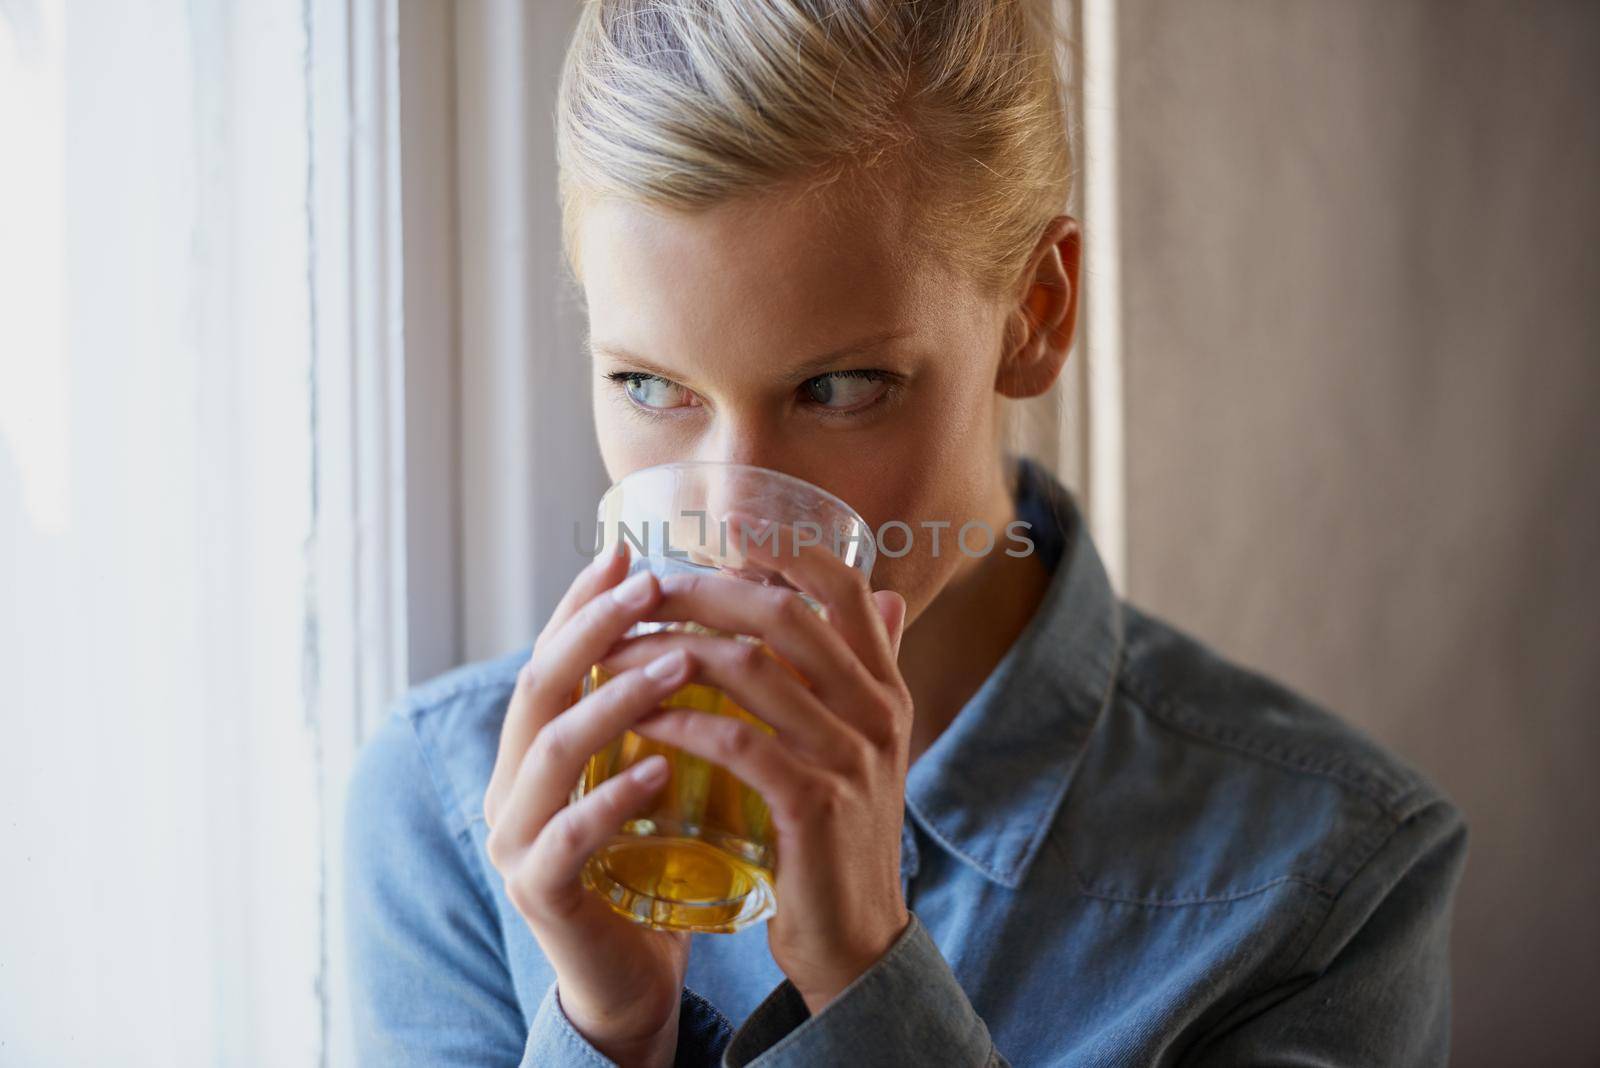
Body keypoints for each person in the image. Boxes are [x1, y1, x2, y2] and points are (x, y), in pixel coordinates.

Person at [344, 2, 1468, 1065]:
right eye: (648, 385)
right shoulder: (450, 814)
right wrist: (608, 1029)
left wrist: (867, 977)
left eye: (838, 388)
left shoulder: (1323, 879)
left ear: (1037, 312)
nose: (734, 521)